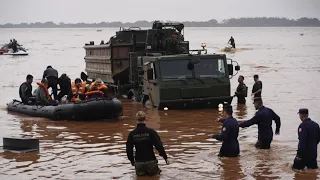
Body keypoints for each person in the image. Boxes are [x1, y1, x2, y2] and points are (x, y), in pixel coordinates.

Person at [126, 111, 169, 176]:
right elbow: (159, 146)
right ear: (145, 119)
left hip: (139, 163)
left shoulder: (132, 134)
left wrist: (132, 161)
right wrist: (165, 157)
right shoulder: (151, 132)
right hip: (151, 161)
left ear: (136, 119)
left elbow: (129, 150)